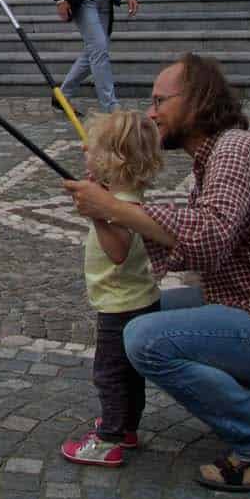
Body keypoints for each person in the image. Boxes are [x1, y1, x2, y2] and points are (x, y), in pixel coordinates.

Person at [64, 54, 250, 493]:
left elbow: (210, 237)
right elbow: (200, 246)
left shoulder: (235, 150)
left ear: (196, 101)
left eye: (160, 100)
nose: (151, 112)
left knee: (145, 338)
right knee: (148, 311)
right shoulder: (218, 156)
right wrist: (110, 199)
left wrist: (115, 209)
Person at [60, 110, 164, 468]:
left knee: (109, 374)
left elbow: (117, 251)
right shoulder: (123, 196)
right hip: (135, 299)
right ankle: (127, 427)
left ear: (114, 159)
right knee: (128, 374)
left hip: (121, 305)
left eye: (94, 147)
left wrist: (94, 212)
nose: (83, 148)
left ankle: (110, 439)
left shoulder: (122, 207)